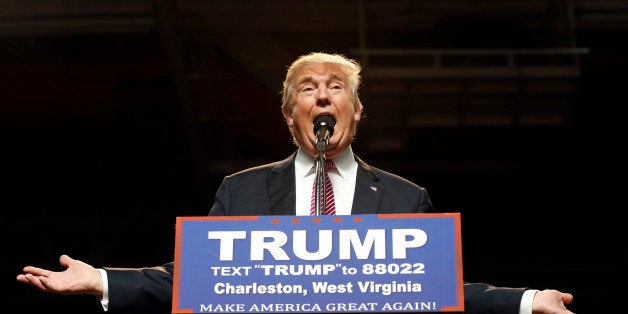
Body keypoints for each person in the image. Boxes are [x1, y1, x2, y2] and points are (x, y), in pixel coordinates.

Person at [17, 52, 575, 314]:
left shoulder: (407, 199)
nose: (323, 95)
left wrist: (527, 300)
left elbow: (436, 290)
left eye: (336, 86)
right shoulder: (241, 192)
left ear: (356, 111)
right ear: (290, 116)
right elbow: (194, 280)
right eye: (307, 89)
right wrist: (103, 281)